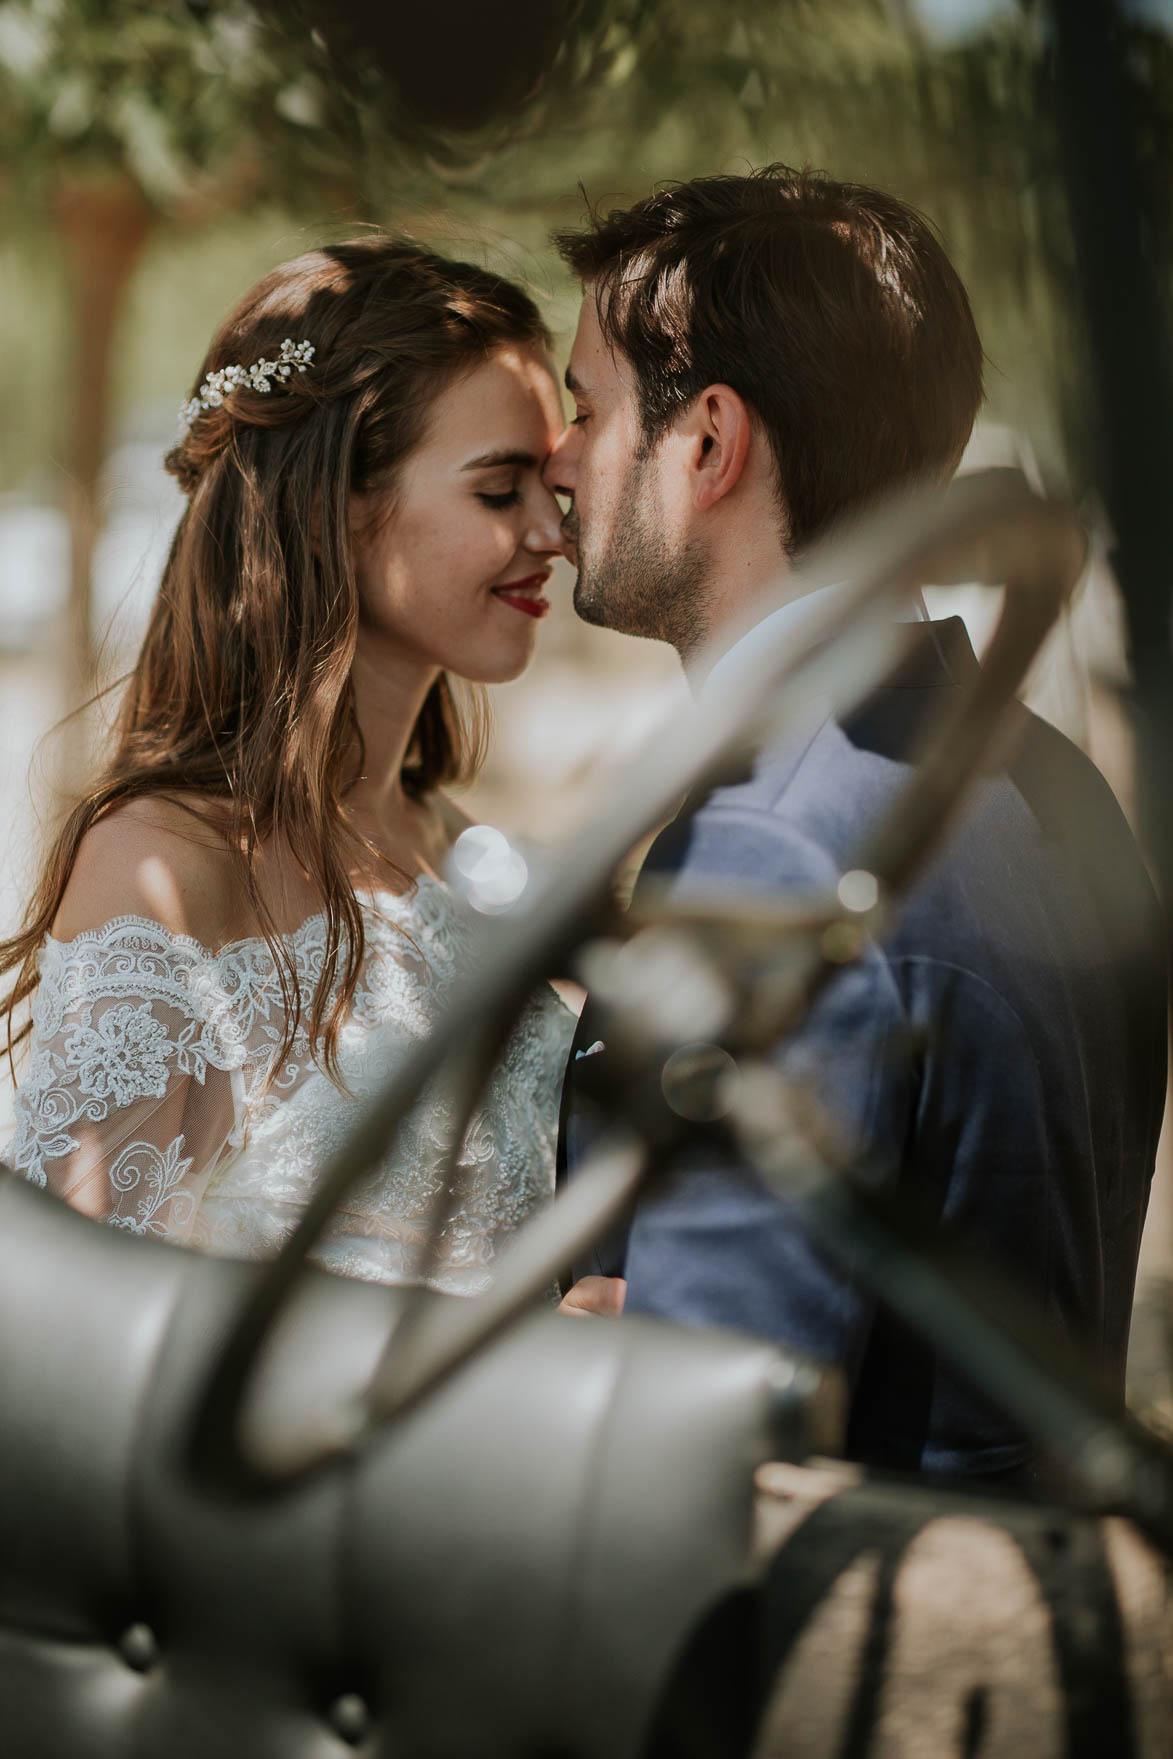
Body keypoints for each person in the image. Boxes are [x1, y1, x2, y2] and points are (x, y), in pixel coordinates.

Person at [549, 166, 1168, 1482]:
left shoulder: (774, 845)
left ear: (707, 443)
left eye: (582, 407)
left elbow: (688, 1451)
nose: (555, 457)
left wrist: (577, 1344)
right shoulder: (1053, 780)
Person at [0, 236, 619, 1312]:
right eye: (498, 489)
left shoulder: (444, 836)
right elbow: (72, 1326)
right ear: (336, 502)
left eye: (548, 485)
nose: (549, 533)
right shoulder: (163, 862)